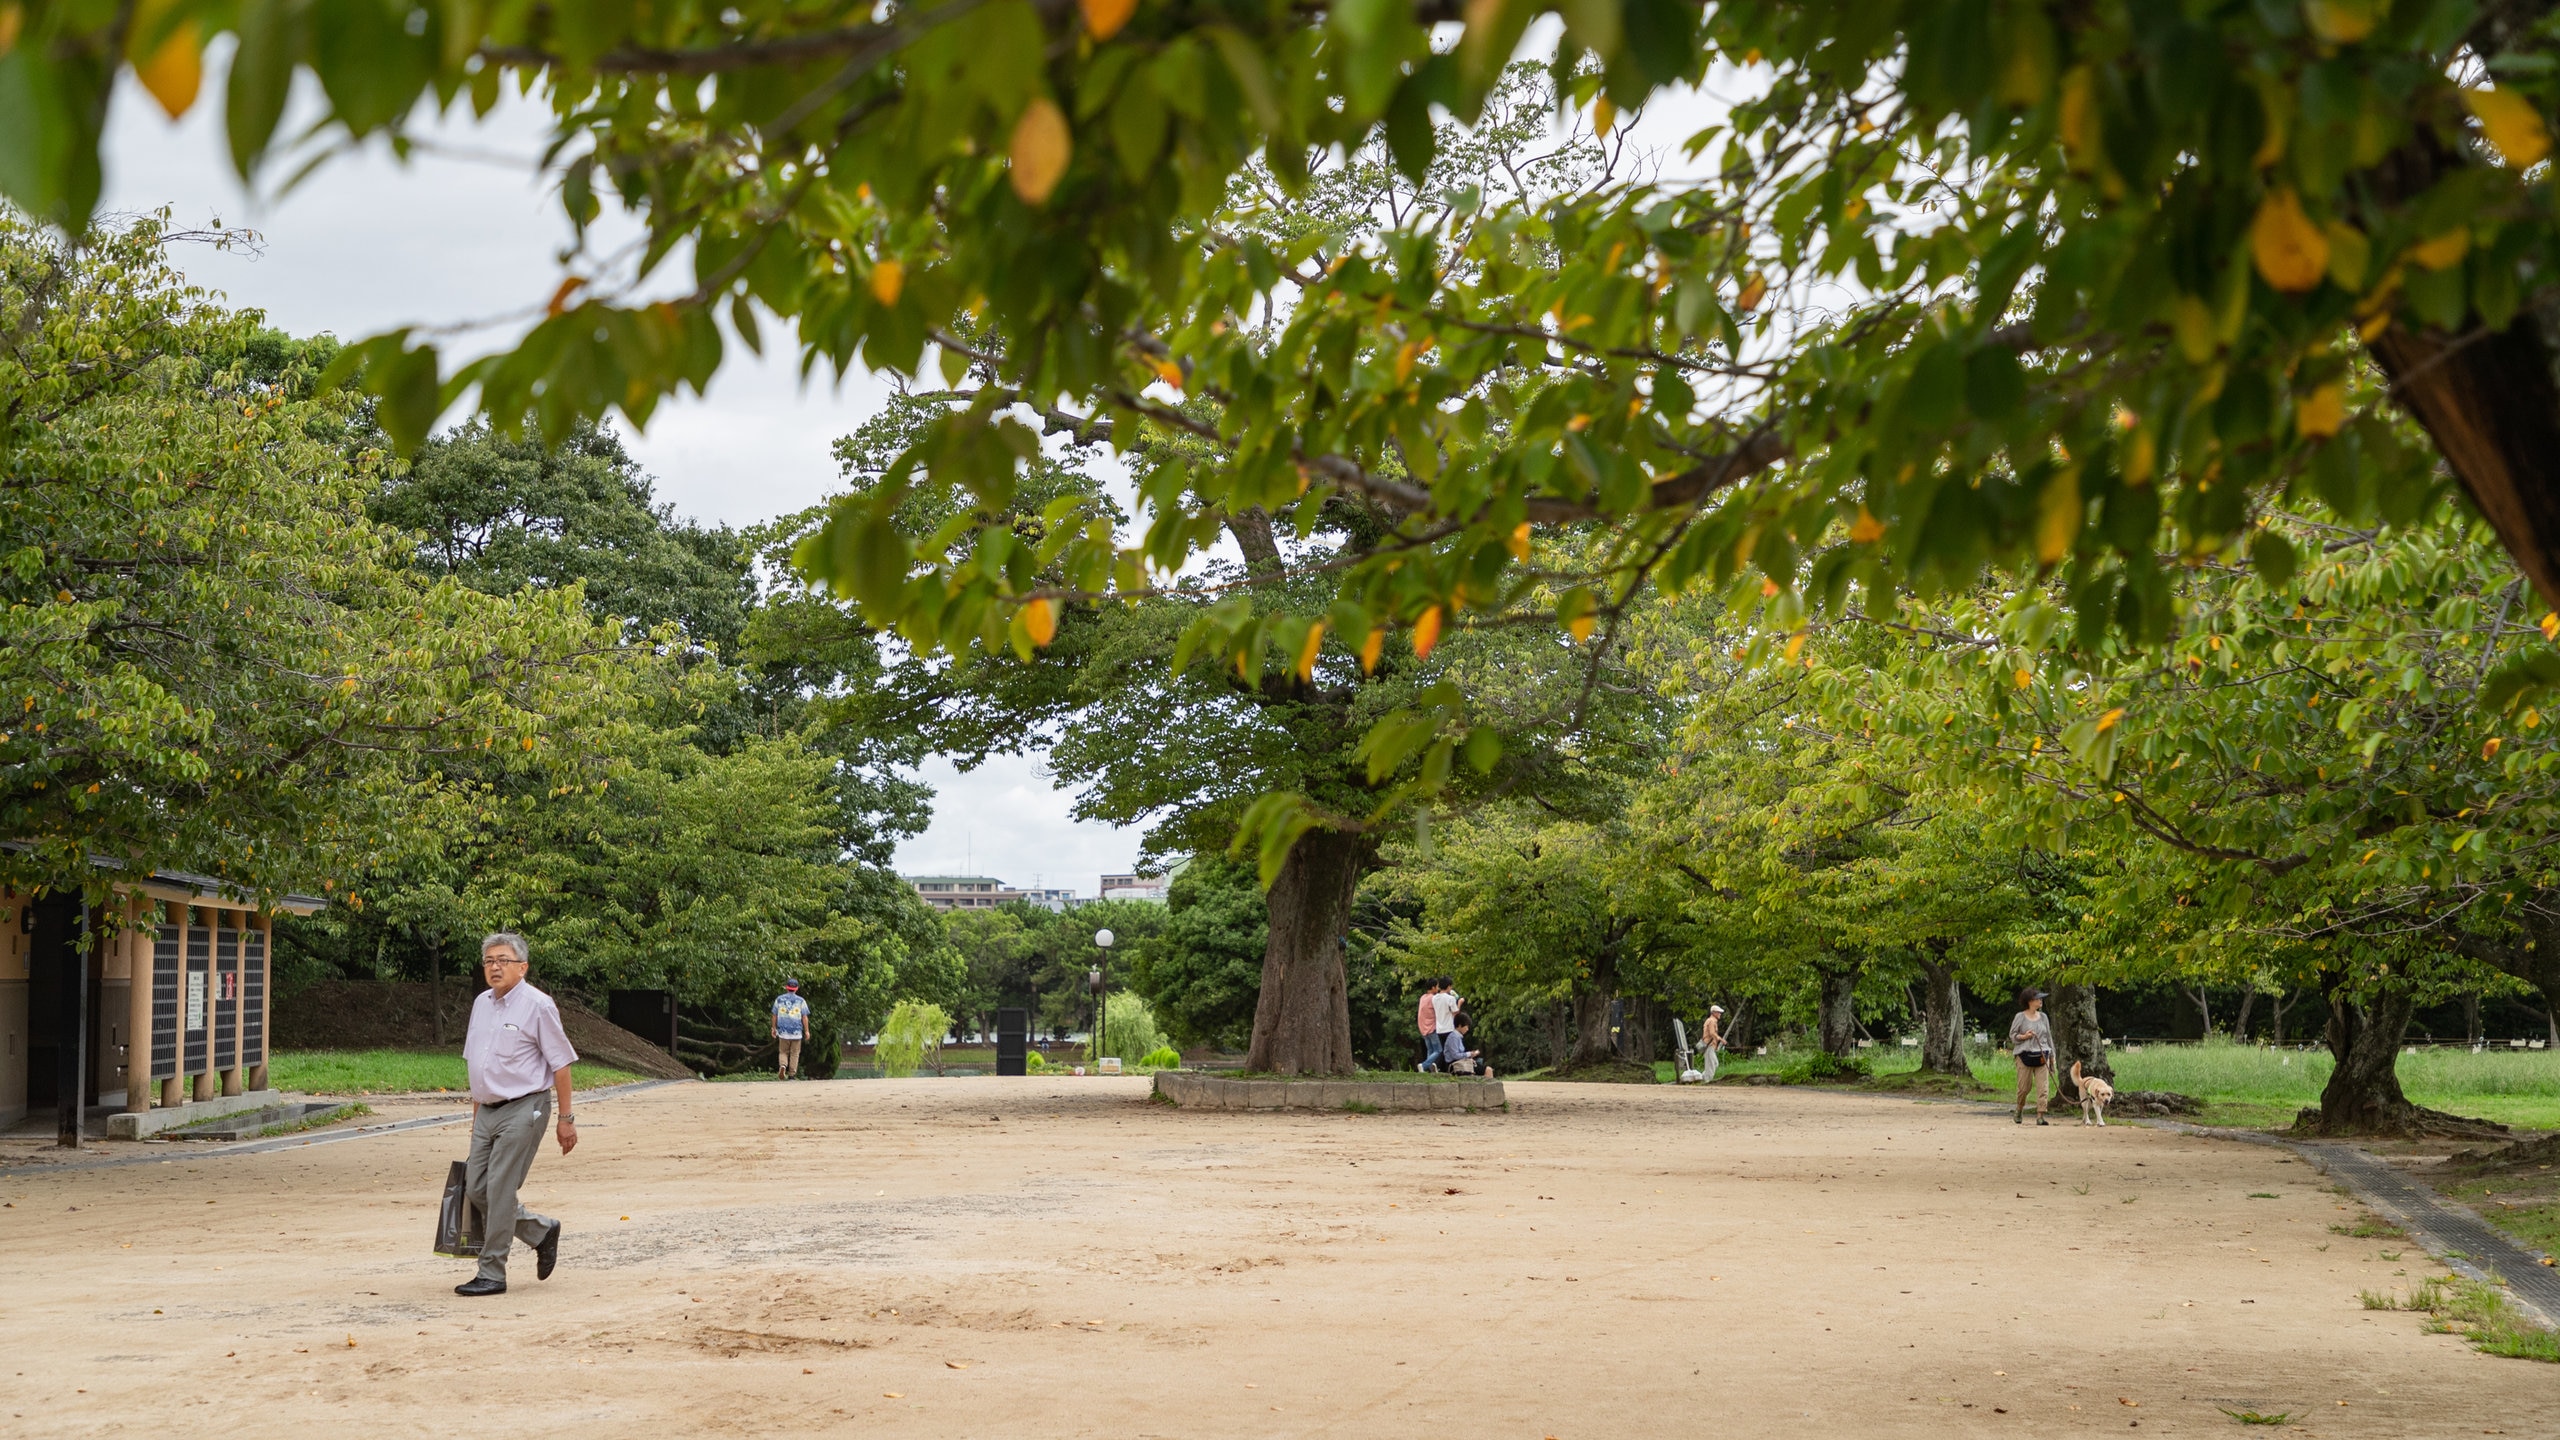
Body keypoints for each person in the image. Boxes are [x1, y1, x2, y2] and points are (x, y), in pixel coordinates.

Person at [456, 932, 579, 1297]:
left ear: (522, 967)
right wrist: (476, 1115)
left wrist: (566, 1120)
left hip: (526, 1106)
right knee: (477, 1188)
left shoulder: (538, 1005)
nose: (494, 967)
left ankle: (492, 1272)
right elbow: (476, 1063)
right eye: (489, 961)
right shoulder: (481, 1003)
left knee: (500, 1188)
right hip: (488, 1110)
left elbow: (561, 1065)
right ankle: (540, 1231)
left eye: (503, 960)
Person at [2009, 987, 2057, 1125]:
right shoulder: (2020, 1017)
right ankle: (2019, 1109)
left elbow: (2048, 1037)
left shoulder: (2044, 1017)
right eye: (2038, 999)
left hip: (2042, 1054)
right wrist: (2024, 1036)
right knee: (2024, 1087)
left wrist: (2052, 1056)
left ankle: (2040, 1115)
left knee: (2043, 1087)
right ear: (2030, 1001)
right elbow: (2012, 1036)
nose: (2041, 1001)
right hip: (2024, 1055)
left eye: (2041, 998)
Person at [772, 979, 811, 1080]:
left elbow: (774, 1015)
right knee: (795, 1053)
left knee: (783, 1052)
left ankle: (783, 1066)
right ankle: (792, 1075)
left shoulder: (779, 999)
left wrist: (773, 1028)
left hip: (783, 1032)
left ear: (786, 987)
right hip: (796, 1032)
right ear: (796, 988)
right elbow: (804, 1017)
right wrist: (807, 1031)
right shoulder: (801, 1001)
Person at [1415, 978, 1444, 1072]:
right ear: (1433, 987)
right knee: (1438, 1050)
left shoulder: (1423, 997)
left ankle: (1430, 1069)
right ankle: (1423, 1065)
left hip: (1423, 1028)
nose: (1438, 988)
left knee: (1430, 1050)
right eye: (1437, 986)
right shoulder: (1433, 998)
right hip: (1431, 1027)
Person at [1695, 1004, 1726, 1084]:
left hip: (1710, 1046)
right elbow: (1712, 1033)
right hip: (1709, 1046)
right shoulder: (1712, 1021)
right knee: (1712, 1064)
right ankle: (1707, 1081)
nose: (1720, 1014)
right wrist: (1721, 1039)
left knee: (1714, 1063)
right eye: (1718, 1012)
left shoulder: (1711, 1020)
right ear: (1714, 1013)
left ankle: (1702, 1078)